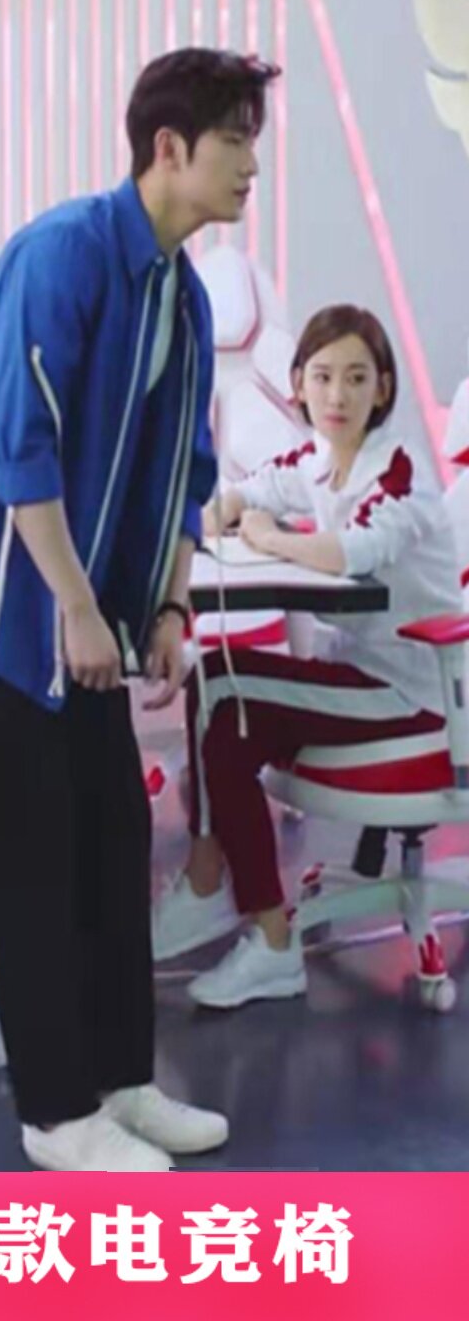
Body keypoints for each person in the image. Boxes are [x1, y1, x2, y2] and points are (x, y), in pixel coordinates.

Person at [0, 48, 280, 1171]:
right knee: (28, 849)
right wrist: (76, 607)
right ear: (169, 148)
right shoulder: (64, 254)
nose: (251, 165)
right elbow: (22, 446)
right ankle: (57, 1114)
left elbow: (184, 467)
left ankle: (123, 1082)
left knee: (109, 832)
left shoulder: (181, 294)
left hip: (73, 588)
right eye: (235, 140)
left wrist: (168, 605)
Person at [153, 305, 462, 1007]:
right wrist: (217, 517)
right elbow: (246, 492)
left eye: (356, 378)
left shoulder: (400, 471)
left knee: (221, 691)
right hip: (354, 673)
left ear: (383, 388)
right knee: (219, 692)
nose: (337, 395)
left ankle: (248, 920)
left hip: (409, 693)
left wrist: (269, 538)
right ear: (298, 384)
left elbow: (349, 553)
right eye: (322, 377)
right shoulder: (318, 458)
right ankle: (222, 891)